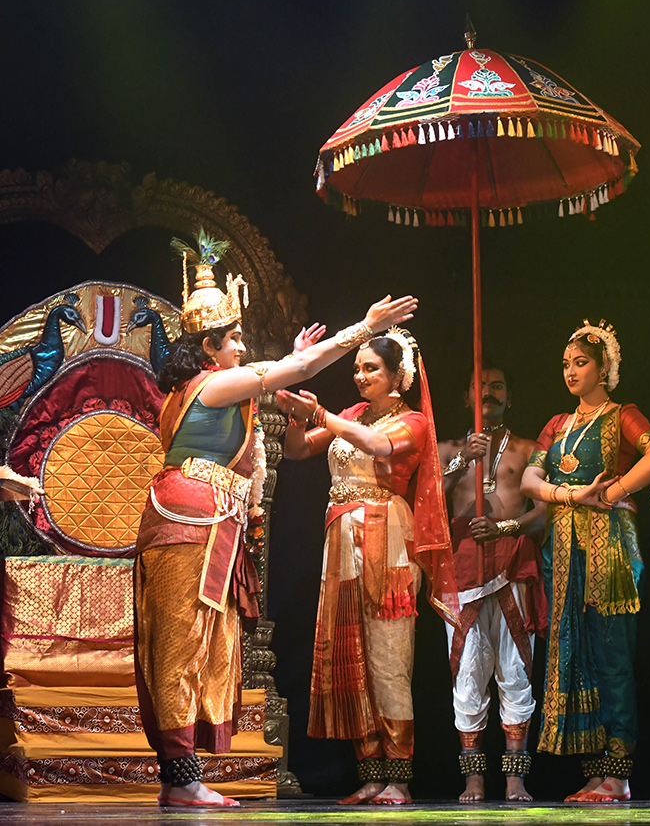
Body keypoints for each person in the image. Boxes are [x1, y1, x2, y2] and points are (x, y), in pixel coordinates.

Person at [134, 231, 417, 808]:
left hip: (204, 521)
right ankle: (181, 779)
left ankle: (184, 776)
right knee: (178, 644)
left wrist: (290, 374)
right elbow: (303, 365)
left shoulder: (211, 389)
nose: (243, 347)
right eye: (235, 338)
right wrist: (364, 326)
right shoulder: (212, 385)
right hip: (190, 518)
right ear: (211, 346)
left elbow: (289, 380)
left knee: (194, 643)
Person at [279, 328, 459, 805]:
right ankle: (372, 773)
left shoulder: (414, 421)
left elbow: (377, 447)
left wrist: (321, 413)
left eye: (370, 368)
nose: (359, 376)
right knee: (352, 660)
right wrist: (299, 412)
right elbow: (297, 450)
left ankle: (399, 777)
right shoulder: (352, 415)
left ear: (398, 373)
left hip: (387, 540)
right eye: (356, 368)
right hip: (341, 542)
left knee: (387, 662)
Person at [519, 319, 650, 802]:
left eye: (580, 363)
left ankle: (619, 773)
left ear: (603, 367)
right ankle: (596, 771)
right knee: (578, 654)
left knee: (612, 655)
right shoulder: (557, 425)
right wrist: (570, 495)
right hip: (563, 549)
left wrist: (615, 492)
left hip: (609, 547)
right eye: (566, 364)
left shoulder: (622, 414)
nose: (570, 371)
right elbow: (528, 481)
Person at [437, 364, 546, 802]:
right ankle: (474, 779)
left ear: (509, 396)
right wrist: (464, 459)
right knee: (467, 671)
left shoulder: (528, 449)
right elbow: (428, 503)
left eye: (497, 386)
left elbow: (545, 510)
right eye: (479, 387)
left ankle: (516, 778)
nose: (488, 393)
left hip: (512, 564)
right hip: (461, 570)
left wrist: (506, 529)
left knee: (515, 668)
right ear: (466, 397)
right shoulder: (446, 449)